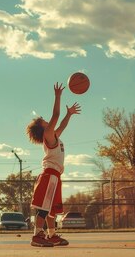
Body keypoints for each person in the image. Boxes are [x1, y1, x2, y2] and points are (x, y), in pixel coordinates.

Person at [26, 82, 81, 247]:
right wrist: (57, 96)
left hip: (55, 176)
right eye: (43, 120)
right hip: (49, 174)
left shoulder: (54, 135)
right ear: (42, 127)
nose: (45, 120)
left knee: (52, 209)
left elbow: (62, 124)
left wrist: (69, 114)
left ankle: (52, 235)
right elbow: (56, 115)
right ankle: (37, 236)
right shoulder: (48, 135)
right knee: (44, 208)